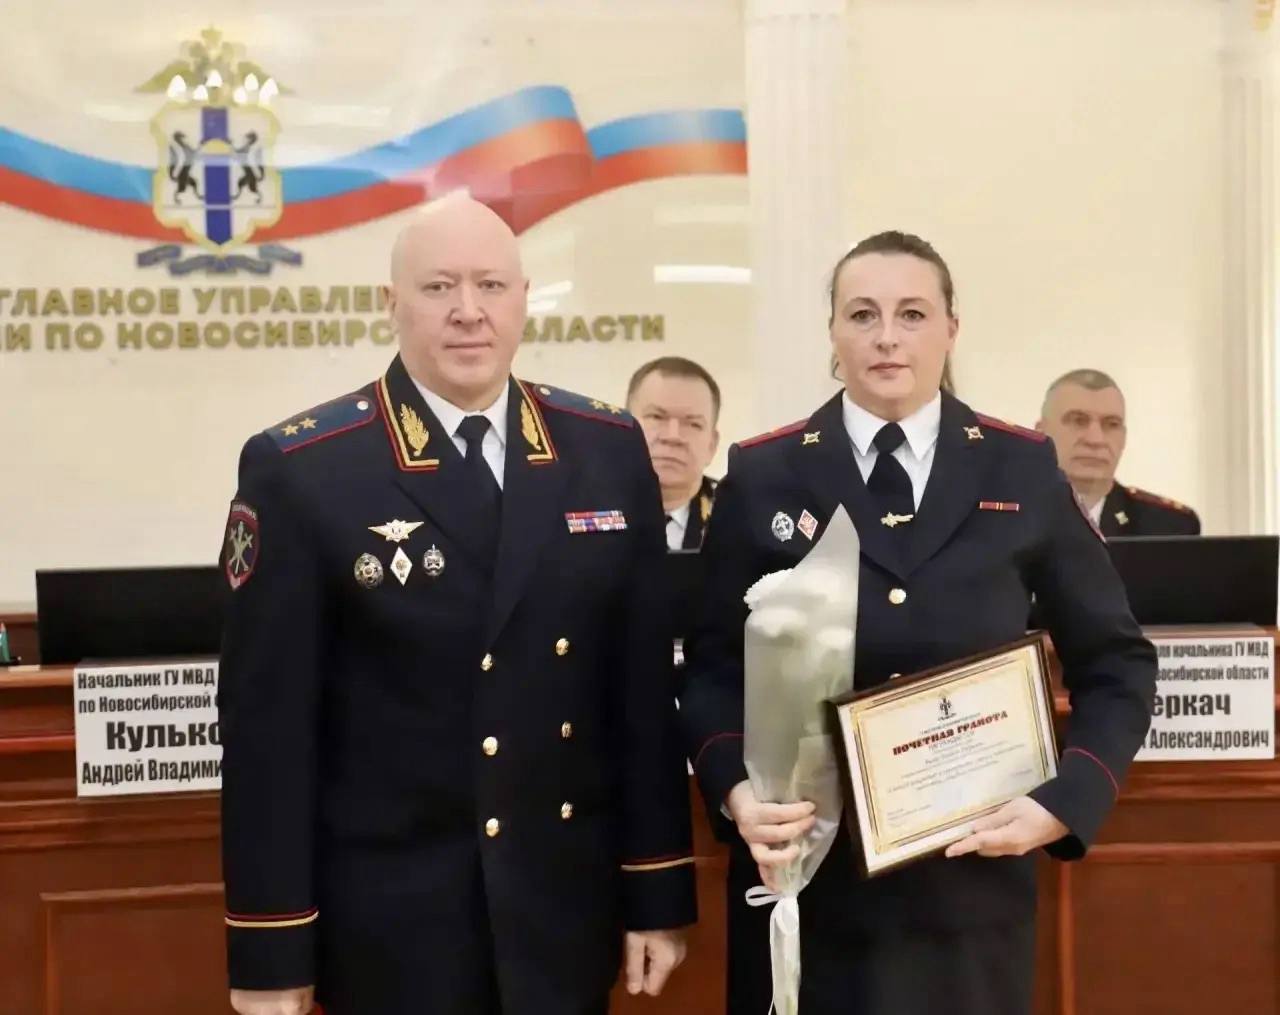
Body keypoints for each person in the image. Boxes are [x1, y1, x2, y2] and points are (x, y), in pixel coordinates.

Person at [218, 193, 694, 1015]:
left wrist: (657, 887)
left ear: (524, 299)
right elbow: (268, 734)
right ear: (391, 303)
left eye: (491, 286)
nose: (469, 311)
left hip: (560, 914)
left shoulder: (606, 449)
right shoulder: (305, 469)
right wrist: (271, 949)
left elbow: (641, 698)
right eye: (439, 287)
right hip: (394, 928)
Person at [679, 230, 1156, 1014]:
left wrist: (1065, 799)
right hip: (809, 880)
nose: (887, 337)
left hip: (968, 889)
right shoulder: (765, 473)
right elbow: (710, 669)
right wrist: (734, 789)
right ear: (833, 332)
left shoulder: (1019, 466)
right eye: (862, 314)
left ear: (951, 330)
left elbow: (1117, 662)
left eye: (912, 314)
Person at [1037, 368, 1200, 537]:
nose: (1095, 440)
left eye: (1111, 424)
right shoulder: (1017, 517)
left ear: (1123, 438)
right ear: (1040, 434)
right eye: (1079, 421)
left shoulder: (1169, 525)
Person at [625, 357, 722, 550]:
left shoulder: (744, 519)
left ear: (711, 445)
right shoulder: (578, 505)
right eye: (656, 417)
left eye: (693, 424)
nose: (673, 436)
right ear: (622, 427)